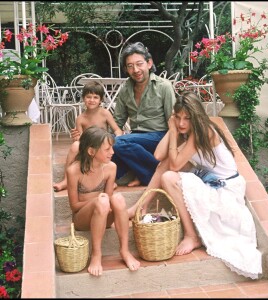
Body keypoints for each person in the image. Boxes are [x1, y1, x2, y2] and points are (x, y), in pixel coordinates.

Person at [128, 91, 262, 279]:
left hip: (225, 190)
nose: (182, 123)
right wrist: (171, 128)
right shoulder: (188, 132)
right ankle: (140, 206)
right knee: (164, 165)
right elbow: (158, 156)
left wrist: (174, 132)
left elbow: (174, 165)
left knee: (169, 176)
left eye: (187, 118)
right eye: (179, 118)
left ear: (196, 117)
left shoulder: (204, 131)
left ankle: (192, 236)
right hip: (210, 180)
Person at [72, 42, 176, 187]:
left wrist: (173, 148)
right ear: (126, 69)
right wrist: (99, 139)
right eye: (130, 66)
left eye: (139, 64)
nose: (136, 70)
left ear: (149, 63)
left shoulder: (163, 86)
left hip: (158, 137)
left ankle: (153, 174)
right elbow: (118, 121)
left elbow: (173, 120)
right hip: (136, 138)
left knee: (119, 143)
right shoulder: (125, 89)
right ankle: (105, 179)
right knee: (106, 144)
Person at [67, 126, 140, 276]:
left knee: (118, 198)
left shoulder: (111, 168)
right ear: (91, 151)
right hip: (82, 219)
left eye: (111, 148)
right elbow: (74, 206)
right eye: (107, 149)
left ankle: (124, 250)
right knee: (102, 201)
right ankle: (96, 254)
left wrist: (105, 203)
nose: (112, 152)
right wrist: (97, 201)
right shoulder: (74, 171)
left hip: (103, 215)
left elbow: (109, 199)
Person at [53, 81, 123, 192]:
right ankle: (66, 180)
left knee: (110, 147)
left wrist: (117, 137)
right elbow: (81, 139)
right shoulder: (81, 118)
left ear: (101, 100)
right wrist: (76, 139)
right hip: (89, 149)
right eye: (88, 97)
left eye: (95, 97)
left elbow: (117, 129)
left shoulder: (105, 113)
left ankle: (109, 181)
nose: (92, 100)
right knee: (75, 145)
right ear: (83, 98)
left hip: (103, 146)